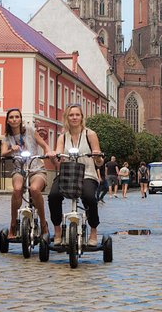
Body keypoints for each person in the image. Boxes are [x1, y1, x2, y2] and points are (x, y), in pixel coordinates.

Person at [48, 104, 104, 246]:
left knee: (89, 197)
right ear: (67, 117)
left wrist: (97, 156)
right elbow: (59, 160)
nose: (74, 118)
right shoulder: (62, 137)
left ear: (82, 117)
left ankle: (93, 230)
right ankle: (57, 230)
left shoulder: (90, 134)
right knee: (53, 196)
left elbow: (99, 162)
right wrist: (54, 156)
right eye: (71, 115)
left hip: (87, 174)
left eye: (77, 115)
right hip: (67, 174)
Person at [1, 108, 54, 238]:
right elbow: (2, 153)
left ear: (21, 119)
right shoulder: (7, 137)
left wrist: (48, 152)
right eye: (11, 117)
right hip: (19, 169)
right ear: (8, 120)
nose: (14, 119)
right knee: (17, 189)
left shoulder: (30, 131)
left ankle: (43, 224)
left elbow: (44, 144)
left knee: (34, 189)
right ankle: (13, 224)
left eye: (17, 117)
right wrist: (10, 150)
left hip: (36, 168)